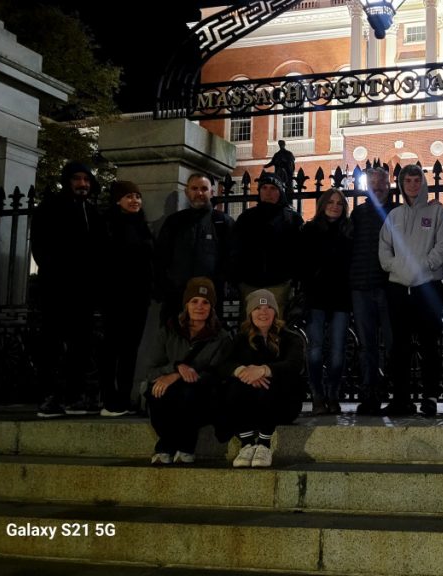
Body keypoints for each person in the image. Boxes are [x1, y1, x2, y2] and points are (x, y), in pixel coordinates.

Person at [31, 161, 105, 418]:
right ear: (68, 181)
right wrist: (56, 273)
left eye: (86, 179)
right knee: (52, 342)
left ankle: (75, 396)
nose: (83, 184)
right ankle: (49, 396)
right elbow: (40, 247)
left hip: (84, 292)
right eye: (77, 179)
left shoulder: (92, 212)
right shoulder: (50, 208)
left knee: (80, 344)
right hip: (57, 288)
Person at [378, 164, 443, 416]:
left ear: (422, 182)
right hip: (398, 288)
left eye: (416, 180)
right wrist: (394, 266)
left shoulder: (436, 212)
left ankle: (430, 397)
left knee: (430, 345)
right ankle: (401, 398)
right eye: (407, 181)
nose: (412, 185)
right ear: (401, 184)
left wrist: (425, 266)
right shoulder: (394, 216)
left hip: (427, 287)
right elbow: (384, 247)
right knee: (400, 347)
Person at [144, 277, 229, 464]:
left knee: (188, 391)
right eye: (194, 301)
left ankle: (181, 446)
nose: (200, 306)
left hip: (202, 394)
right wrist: (174, 368)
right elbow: (150, 370)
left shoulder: (221, 337)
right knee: (157, 390)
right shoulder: (169, 331)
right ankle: (168, 443)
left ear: (212, 307)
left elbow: (217, 374)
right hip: (170, 391)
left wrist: (177, 375)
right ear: (186, 305)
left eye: (206, 302)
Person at [217, 290, 305, 468]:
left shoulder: (291, 338)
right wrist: (243, 372)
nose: (263, 312)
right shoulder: (240, 339)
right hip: (249, 403)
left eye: (268, 308)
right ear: (250, 313)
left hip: (282, 403)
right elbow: (222, 365)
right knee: (235, 385)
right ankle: (247, 443)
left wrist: (264, 370)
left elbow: (294, 365)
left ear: (275, 312)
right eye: (257, 308)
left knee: (268, 384)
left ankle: (264, 445)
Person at [98, 181, 154, 417]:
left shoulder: (141, 225)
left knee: (130, 350)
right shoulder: (108, 225)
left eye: (138, 196)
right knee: (112, 349)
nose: (135, 201)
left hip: (138, 297)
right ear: (117, 200)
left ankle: (123, 397)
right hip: (115, 296)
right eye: (129, 196)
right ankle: (109, 399)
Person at [297, 188, 352, 416]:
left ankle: (333, 393)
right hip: (316, 297)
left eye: (339, 203)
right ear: (322, 204)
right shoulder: (309, 230)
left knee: (338, 351)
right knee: (316, 350)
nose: (335, 206)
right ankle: (317, 394)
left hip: (341, 298)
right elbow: (301, 264)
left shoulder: (349, 230)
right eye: (331, 202)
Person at [154, 173, 235, 323]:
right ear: (187, 192)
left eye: (204, 189)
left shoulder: (223, 222)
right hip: (176, 298)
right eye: (194, 188)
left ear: (212, 192)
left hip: (210, 299)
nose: (199, 193)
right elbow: (160, 257)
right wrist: (163, 288)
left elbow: (232, 259)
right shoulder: (174, 222)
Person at [349, 167, 397, 415]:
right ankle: (370, 394)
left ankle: (394, 393)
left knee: (392, 344)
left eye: (382, 182)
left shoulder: (398, 212)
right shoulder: (358, 213)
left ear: (389, 185)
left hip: (389, 287)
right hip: (361, 286)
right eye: (373, 183)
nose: (377, 186)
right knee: (367, 345)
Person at [233, 173, 304, 315]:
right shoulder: (246, 217)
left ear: (280, 192)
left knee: (275, 323)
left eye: (273, 188)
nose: (268, 192)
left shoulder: (292, 219)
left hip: (279, 283)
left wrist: (293, 278)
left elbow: (300, 251)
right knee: (249, 324)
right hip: (249, 282)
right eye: (264, 188)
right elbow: (236, 249)